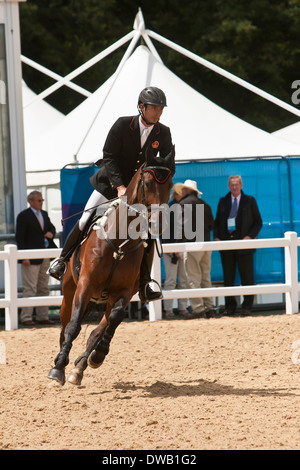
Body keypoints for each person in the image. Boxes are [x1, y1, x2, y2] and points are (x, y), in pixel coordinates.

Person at [48, 86, 175, 302]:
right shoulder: (123, 125)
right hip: (110, 184)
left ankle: (145, 282)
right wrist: (119, 186)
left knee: (149, 232)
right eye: (154, 108)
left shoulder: (163, 132)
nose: (158, 112)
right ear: (142, 107)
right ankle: (62, 260)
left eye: (161, 108)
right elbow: (109, 155)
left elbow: (165, 164)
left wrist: (160, 184)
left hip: (139, 193)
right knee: (84, 220)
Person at [214, 175, 263, 316]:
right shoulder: (223, 201)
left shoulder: (250, 201)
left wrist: (249, 237)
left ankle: (247, 307)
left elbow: (258, 222)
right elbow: (217, 222)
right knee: (228, 279)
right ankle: (230, 307)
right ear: (228, 186)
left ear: (241, 185)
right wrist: (217, 238)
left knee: (247, 278)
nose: (234, 187)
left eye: (236, 184)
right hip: (227, 246)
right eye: (232, 185)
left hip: (244, 245)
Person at [16, 191, 57, 326]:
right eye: (39, 200)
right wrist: (23, 257)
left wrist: (51, 232)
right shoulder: (23, 216)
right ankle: (26, 317)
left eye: (42, 200)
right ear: (31, 201)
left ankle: (42, 316)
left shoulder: (44, 214)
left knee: (44, 287)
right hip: (30, 257)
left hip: (44, 254)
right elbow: (20, 238)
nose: (41, 202)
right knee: (30, 288)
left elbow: (51, 227)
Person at [176, 179, 216, 318]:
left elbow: (179, 228)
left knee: (193, 278)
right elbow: (211, 225)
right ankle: (210, 307)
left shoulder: (182, 205)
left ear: (186, 191)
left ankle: (198, 309)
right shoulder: (205, 205)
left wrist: (179, 244)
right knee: (206, 277)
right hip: (206, 244)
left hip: (191, 244)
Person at [161, 183, 189, 318]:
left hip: (179, 248)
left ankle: (181, 308)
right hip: (171, 249)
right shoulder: (169, 208)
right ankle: (169, 309)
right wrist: (169, 248)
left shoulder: (180, 207)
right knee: (172, 280)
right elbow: (163, 229)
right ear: (178, 193)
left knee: (182, 280)